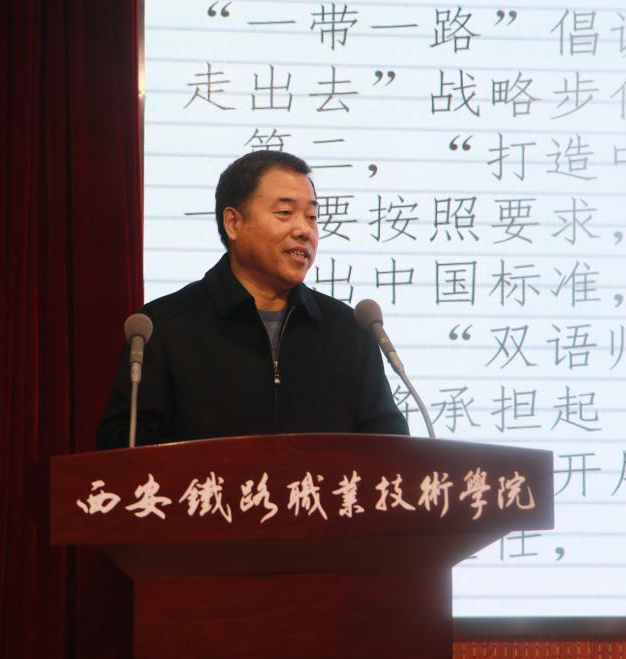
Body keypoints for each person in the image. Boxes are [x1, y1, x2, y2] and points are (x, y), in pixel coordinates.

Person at [96, 150, 408, 448]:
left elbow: (389, 450)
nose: (304, 230)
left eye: (312, 216)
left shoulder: (350, 331)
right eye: (285, 213)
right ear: (233, 223)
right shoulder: (163, 330)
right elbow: (126, 453)